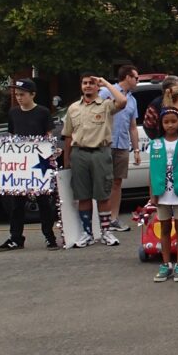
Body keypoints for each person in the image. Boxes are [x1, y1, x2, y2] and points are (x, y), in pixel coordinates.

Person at [62, 73, 127, 248]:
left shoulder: (105, 105)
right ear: (81, 86)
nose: (88, 86)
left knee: (103, 194)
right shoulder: (73, 108)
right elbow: (68, 135)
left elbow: (122, 101)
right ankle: (87, 233)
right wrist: (67, 159)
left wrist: (105, 82)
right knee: (83, 195)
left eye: (92, 83)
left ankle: (106, 231)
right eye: (85, 83)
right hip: (79, 153)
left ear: (98, 87)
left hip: (100, 152)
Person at [0, 79, 59, 251]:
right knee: (17, 203)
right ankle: (16, 237)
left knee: (44, 201)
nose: (18, 98)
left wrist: (51, 150)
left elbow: (48, 135)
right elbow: (11, 137)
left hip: (38, 163)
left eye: (22, 94)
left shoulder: (42, 112)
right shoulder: (14, 113)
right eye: (16, 95)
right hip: (20, 165)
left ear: (32, 94)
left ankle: (49, 235)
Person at [149, 108, 178, 282]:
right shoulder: (155, 143)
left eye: (173, 121)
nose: (170, 125)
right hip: (162, 193)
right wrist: (152, 193)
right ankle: (166, 264)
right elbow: (152, 171)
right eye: (166, 122)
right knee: (165, 229)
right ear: (161, 124)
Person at [98, 65, 140, 233]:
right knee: (103, 182)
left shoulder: (133, 100)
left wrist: (136, 149)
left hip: (122, 145)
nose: (137, 81)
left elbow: (133, 127)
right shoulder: (106, 92)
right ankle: (102, 219)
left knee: (117, 182)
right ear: (128, 77)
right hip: (105, 144)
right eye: (136, 78)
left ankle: (114, 218)